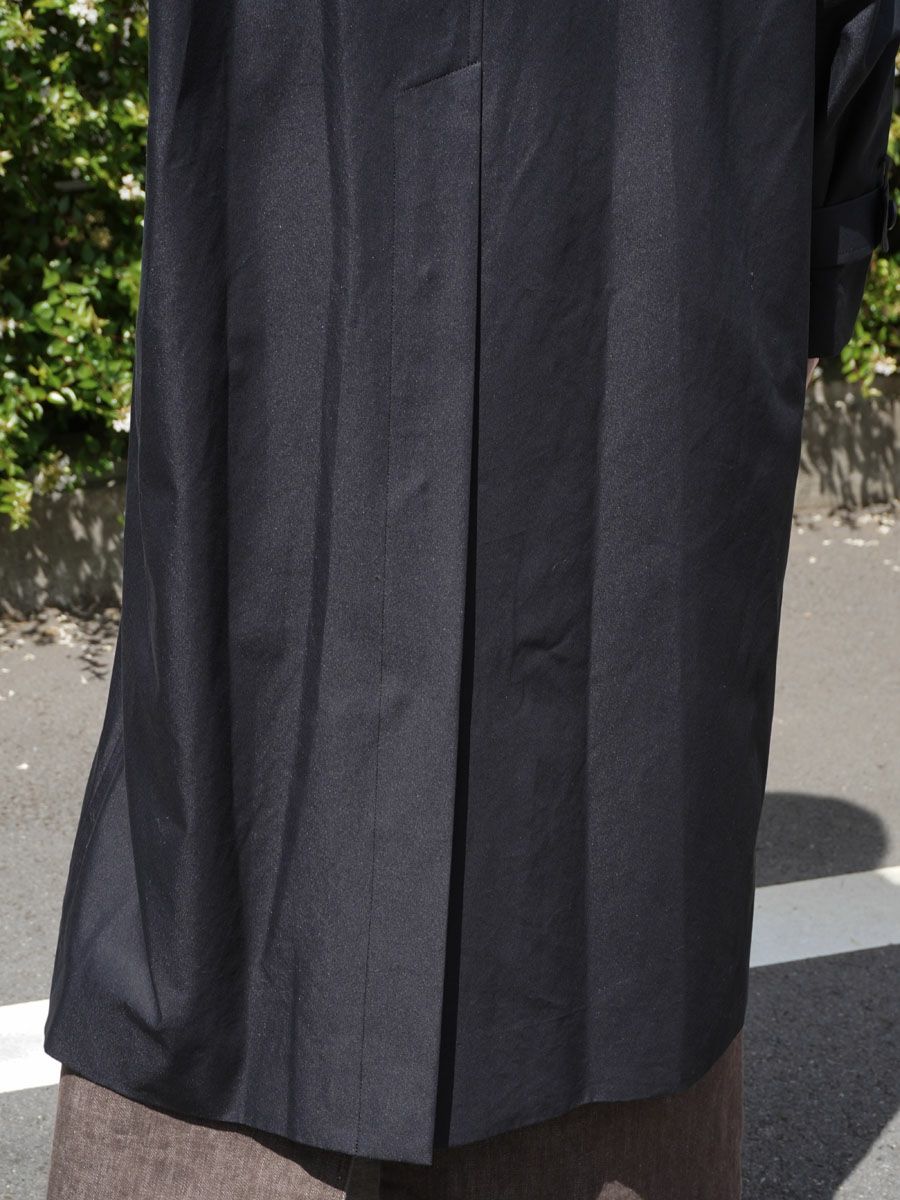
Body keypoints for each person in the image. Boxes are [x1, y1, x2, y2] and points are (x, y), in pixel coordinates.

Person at [44, 1, 898, 1197]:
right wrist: (809, 283)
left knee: (240, 821)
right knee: (614, 855)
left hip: (294, 269)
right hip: (656, 293)